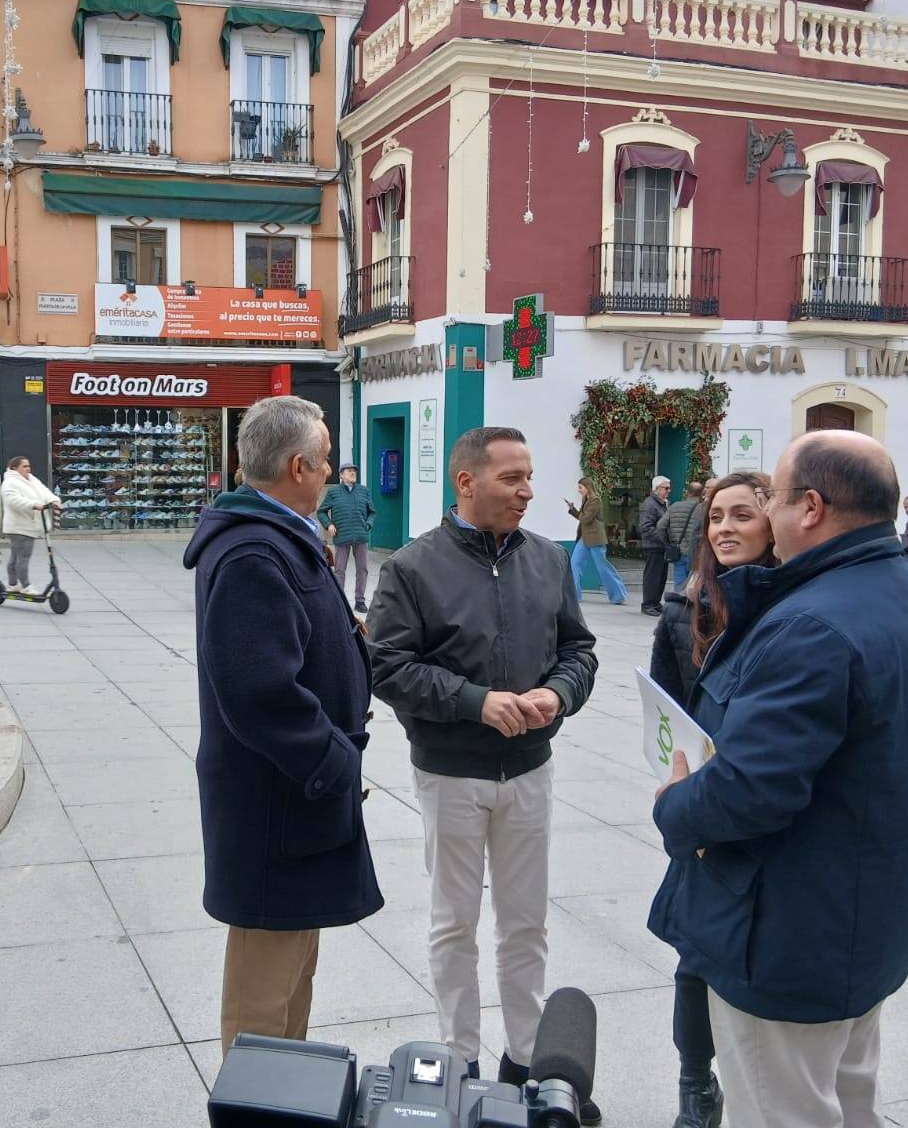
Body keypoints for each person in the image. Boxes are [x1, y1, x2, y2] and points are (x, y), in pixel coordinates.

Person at [649, 431, 908, 1128]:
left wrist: (676, 806)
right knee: (849, 1101)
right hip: (872, 917)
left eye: (773, 497)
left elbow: (749, 791)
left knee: (784, 1110)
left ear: (812, 507)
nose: (766, 511)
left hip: (792, 937)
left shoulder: (809, 623)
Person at [367, 427, 600, 1121]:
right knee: (454, 923)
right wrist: (476, 703)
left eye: (529, 476)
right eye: (512, 478)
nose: (528, 491)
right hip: (451, 775)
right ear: (466, 482)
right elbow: (387, 667)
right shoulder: (412, 567)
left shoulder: (549, 558)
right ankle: (458, 1059)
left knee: (526, 923)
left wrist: (558, 693)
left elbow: (580, 649)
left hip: (530, 770)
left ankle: (525, 1061)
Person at [183, 396, 383, 1054]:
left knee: (293, 985)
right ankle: (255, 1104)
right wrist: (334, 761)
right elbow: (260, 692)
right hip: (278, 808)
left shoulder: (279, 538)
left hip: (297, 805)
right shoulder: (253, 553)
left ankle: (285, 1100)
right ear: (298, 467)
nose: (329, 472)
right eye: (324, 461)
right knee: (263, 1011)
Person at [649, 472, 776, 1128]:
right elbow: (666, 710)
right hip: (700, 806)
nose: (725, 527)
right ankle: (695, 1084)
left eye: (742, 515)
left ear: (775, 521)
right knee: (693, 957)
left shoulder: (793, 609)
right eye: (717, 516)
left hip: (759, 807)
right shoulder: (684, 608)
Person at [318, 462, 376, 613]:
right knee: (339, 570)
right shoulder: (333, 492)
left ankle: (360, 600)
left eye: (354, 471)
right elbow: (321, 511)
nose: (352, 473)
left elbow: (372, 512)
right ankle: (340, 601)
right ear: (341, 475)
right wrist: (329, 524)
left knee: (362, 569)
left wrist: (368, 524)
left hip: (360, 536)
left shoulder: (364, 491)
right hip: (341, 535)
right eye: (349, 471)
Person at [0, 456, 60, 595]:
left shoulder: (31, 479)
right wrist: (33, 504)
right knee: (23, 557)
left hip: (29, 525)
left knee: (16, 557)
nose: (28, 468)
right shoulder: (10, 482)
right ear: (15, 468)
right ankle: (25, 586)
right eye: (24, 466)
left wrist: (54, 500)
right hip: (19, 526)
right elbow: (12, 500)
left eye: (29, 466)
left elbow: (44, 491)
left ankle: (13, 584)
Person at [566, 476, 628, 605]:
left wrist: (577, 512)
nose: (579, 490)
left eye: (580, 487)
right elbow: (583, 518)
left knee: (603, 567)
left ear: (587, 487)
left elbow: (586, 519)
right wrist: (572, 509)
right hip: (584, 537)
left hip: (595, 538)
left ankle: (618, 595)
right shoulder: (586, 500)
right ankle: (574, 596)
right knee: (574, 564)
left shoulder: (595, 500)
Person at [657, 482, 704, 592]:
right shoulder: (702, 509)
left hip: (679, 551)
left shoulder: (675, 506)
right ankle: (691, 602)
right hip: (697, 552)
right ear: (702, 494)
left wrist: (667, 542)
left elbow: (660, 526)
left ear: (687, 493)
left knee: (679, 582)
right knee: (695, 584)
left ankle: (678, 601)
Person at [639, 475, 672, 616]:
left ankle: (655, 603)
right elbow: (646, 527)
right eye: (666, 488)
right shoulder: (650, 504)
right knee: (652, 576)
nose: (669, 491)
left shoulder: (663, 503)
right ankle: (648, 604)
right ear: (657, 488)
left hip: (661, 546)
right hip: (653, 546)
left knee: (661, 577)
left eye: (669, 488)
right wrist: (664, 538)